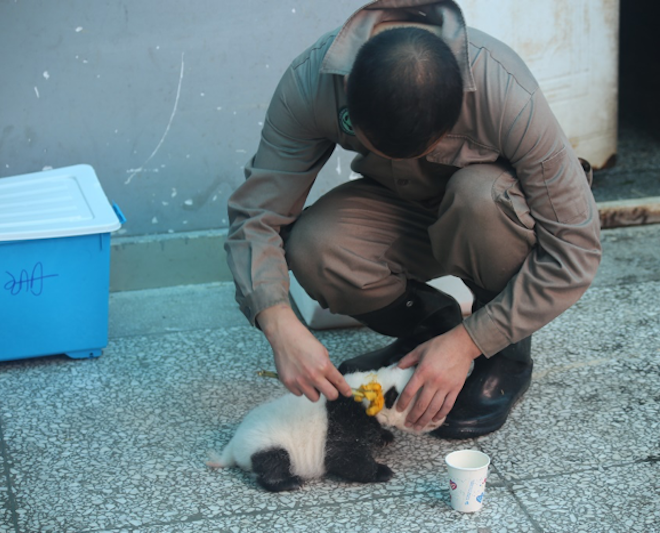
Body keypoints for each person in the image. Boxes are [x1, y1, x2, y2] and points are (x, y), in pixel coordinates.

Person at [225, 0, 601, 439]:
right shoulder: (312, 84)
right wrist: (278, 322)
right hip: (402, 208)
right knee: (315, 244)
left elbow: (576, 249)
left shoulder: (503, 88)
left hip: (486, 220)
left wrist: (469, 345)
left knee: (479, 197)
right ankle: (427, 331)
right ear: (349, 100)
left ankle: (504, 354)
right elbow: (256, 216)